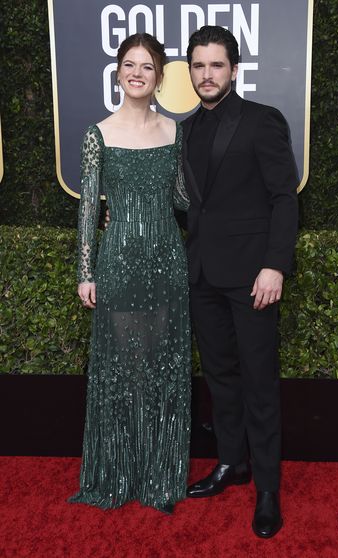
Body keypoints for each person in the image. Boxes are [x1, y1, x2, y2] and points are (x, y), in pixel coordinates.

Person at [182, 26, 299, 538]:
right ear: (189, 72)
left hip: (253, 277)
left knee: (258, 381)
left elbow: (284, 197)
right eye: (198, 65)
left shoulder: (262, 121)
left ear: (234, 69)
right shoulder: (185, 129)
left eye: (216, 65)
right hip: (202, 275)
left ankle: (268, 487)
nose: (207, 74)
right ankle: (233, 463)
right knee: (221, 378)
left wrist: (274, 264)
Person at [69, 33, 191, 514]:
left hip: (167, 262)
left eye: (147, 66)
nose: (137, 72)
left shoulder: (174, 133)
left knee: (161, 369)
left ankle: (159, 471)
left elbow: (182, 200)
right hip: (117, 262)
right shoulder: (97, 134)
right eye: (129, 64)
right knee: (124, 371)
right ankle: (119, 471)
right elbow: (86, 210)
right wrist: (85, 271)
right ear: (118, 72)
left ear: (159, 77)